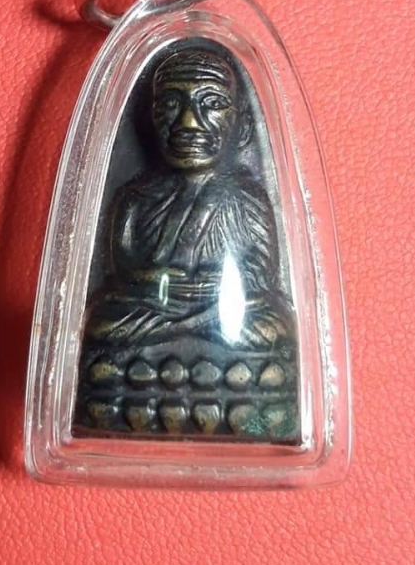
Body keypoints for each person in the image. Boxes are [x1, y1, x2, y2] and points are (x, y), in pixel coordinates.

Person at [84, 38, 296, 351]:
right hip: (152, 309)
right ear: (149, 120)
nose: (189, 122)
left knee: (275, 326)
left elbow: (262, 274)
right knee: (102, 322)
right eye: (171, 104)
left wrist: (214, 285)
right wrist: (156, 282)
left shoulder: (246, 196)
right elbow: (122, 273)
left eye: (213, 104)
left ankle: (189, 333)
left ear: (242, 123)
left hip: (223, 309)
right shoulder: (135, 197)